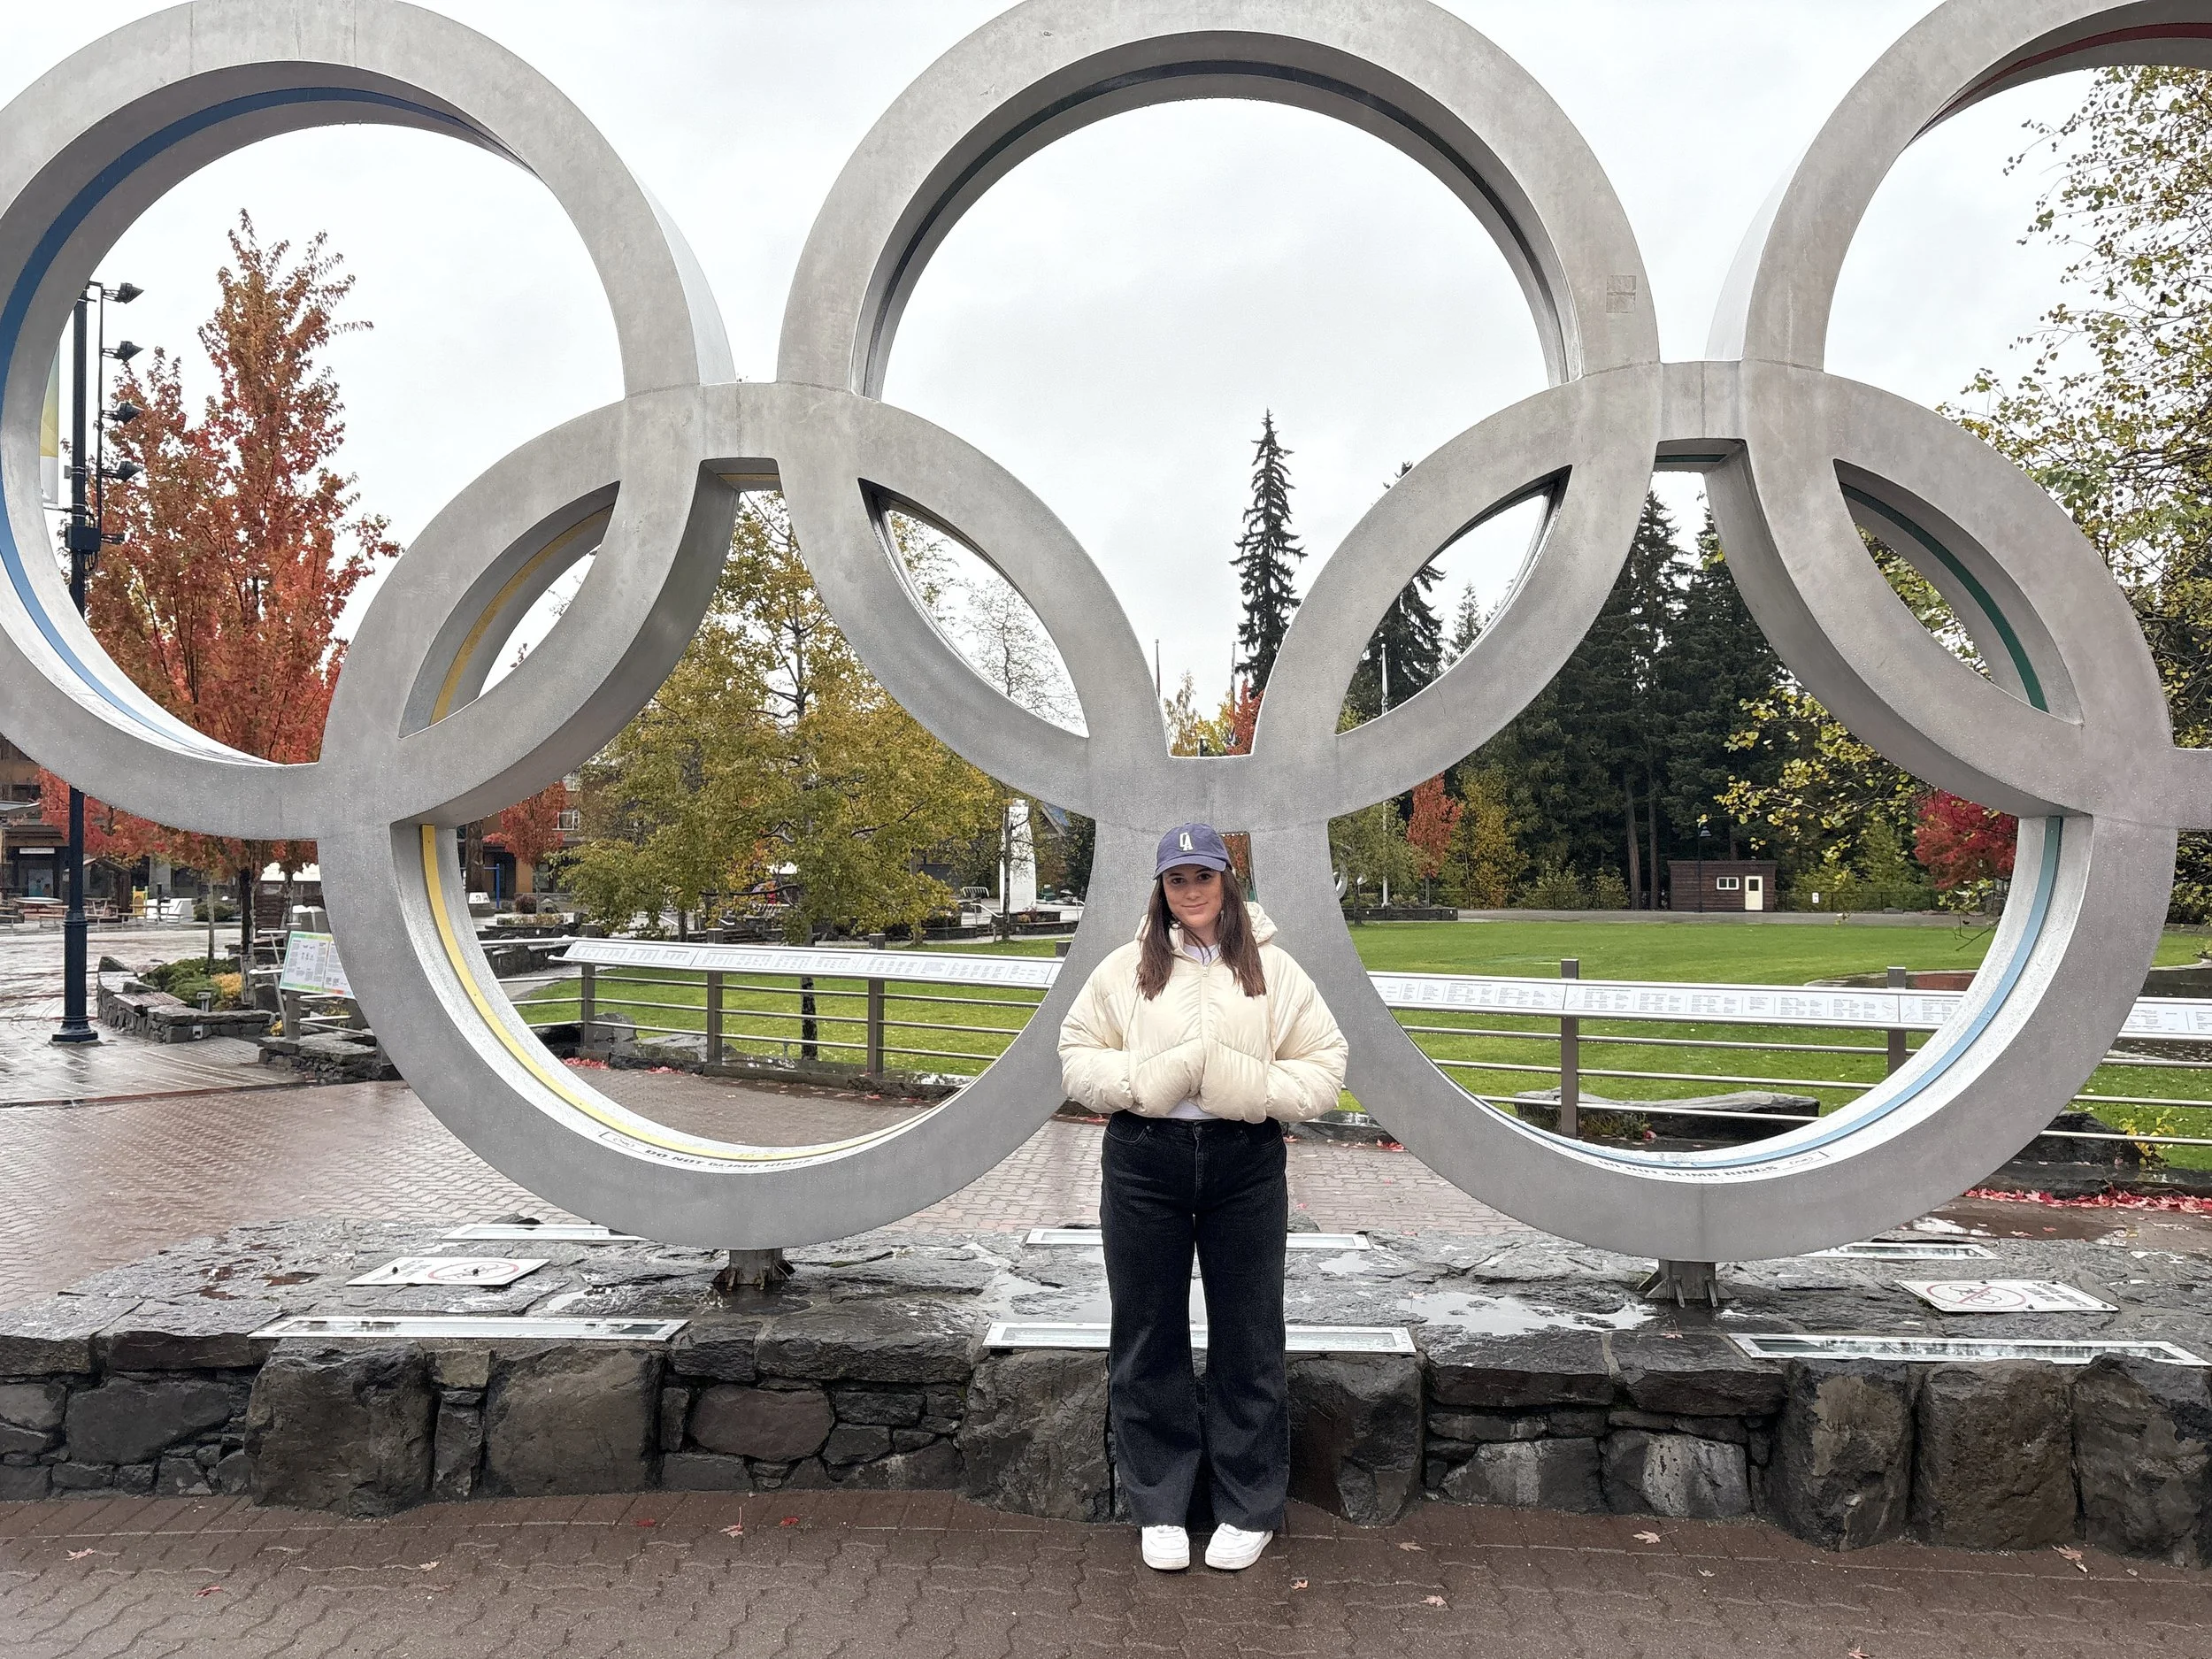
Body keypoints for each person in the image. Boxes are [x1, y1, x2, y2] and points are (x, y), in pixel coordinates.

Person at [1058, 823, 1348, 1572]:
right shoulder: (1127, 968)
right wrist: (1147, 1081)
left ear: (1228, 880)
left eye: (1204, 875)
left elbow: (1324, 1065)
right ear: (1160, 887)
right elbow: (1077, 1053)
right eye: (1177, 878)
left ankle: (1248, 1505)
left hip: (1242, 1162)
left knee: (1248, 1333)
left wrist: (1239, 1086)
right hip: (1144, 1162)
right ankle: (1159, 1504)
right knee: (1147, 1331)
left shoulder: (1272, 970)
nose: (1191, 890)